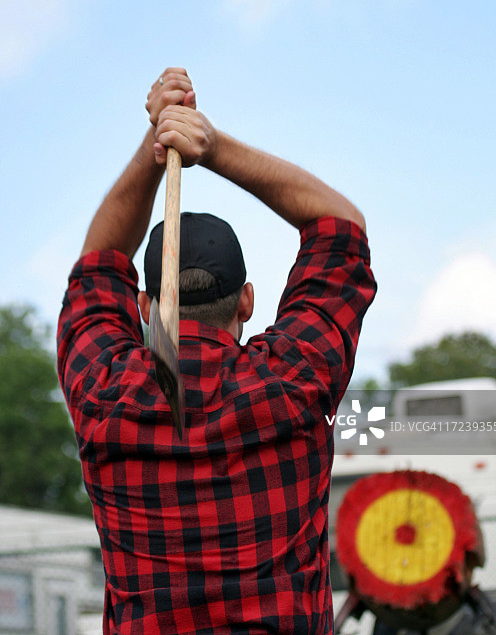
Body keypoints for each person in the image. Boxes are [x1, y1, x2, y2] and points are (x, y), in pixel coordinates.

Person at [57, 67, 377, 635]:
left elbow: (98, 261)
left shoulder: (103, 391)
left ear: (144, 306)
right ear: (247, 301)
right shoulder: (292, 381)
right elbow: (339, 228)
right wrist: (210, 144)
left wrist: (157, 141)